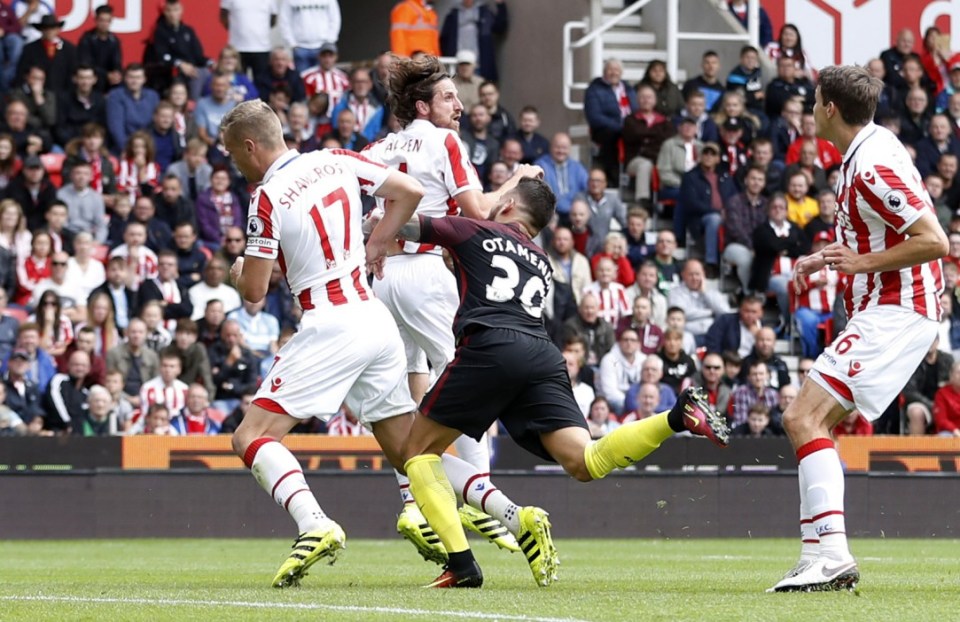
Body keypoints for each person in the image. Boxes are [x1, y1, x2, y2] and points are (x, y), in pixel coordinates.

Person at [385, 175, 730, 588]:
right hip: (542, 354)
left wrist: (370, 225)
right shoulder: (540, 260)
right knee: (585, 461)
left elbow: (405, 224)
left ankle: (461, 566)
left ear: (509, 203)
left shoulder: (474, 228)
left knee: (415, 451)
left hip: (492, 346)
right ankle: (676, 417)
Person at [219, 98, 446, 588]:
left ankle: (314, 524)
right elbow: (409, 190)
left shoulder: (267, 195)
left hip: (331, 323)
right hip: (374, 317)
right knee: (405, 446)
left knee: (250, 436)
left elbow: (255, 292)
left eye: (234, 155)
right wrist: (378, 242)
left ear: (251, 147)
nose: (236, 166)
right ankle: (443, 535)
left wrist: (239, 272)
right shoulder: (335, 158)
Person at [768, 65, 948, 593]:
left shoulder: (869, 167)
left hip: (897, 308)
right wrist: (826, 258)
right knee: (808, 421)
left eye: (814, 98)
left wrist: (859, 267)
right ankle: (816, 553)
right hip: (887, 306)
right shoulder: (869, 148)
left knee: (803, 416)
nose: (808, 107)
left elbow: (935, 239)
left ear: (829, 109)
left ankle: (834, 554)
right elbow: (873, 233)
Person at [361, 54, 534, 560]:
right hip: (425, 276)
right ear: (423, 105)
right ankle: (480, 496)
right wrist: (516, 181)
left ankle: (413, 504)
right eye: (448, 97)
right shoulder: (445, 141)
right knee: (475, 381)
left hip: (381, 278)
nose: (459, 105)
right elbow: (478, 213)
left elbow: (368, 210)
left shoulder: (380, 146)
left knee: (402, 396)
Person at [584, 58, 637, 186]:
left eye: (617, 70)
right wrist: (619, 127)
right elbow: (594, 116)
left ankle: (633, 177)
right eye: (610, 69)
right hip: (606, 129)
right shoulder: (594, 89)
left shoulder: (628, 88)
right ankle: (613, 176)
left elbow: (636, 110)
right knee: (611, 136)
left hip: (629, 126)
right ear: (604, 72)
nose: (614, 73)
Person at [439, 0, 508, 82]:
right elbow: (444, 39)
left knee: (479, 90)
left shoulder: (485, 13)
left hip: (479, 64)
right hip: (458, 64)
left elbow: (500, 27)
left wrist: (501, 5)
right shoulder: (453, 15)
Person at [105, 64, 160, 156]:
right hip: (123, 149)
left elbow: (155, 125)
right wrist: (129, 151)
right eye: (131, 77)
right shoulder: (115, 95)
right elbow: (116, 128)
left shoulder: (153, 96)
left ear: (144, 79)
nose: (134, 81)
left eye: (138, 77)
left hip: (148, 147)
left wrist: (148, 149)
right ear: (125, 78)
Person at [14, 13, 76, 94]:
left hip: (62, 95)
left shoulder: (69, 49)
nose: (49, 31)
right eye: (45, 28)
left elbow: (73, 73)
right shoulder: (30, 49)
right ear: (41, 30)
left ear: (58, 29)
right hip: (36, 93)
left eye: (52, 28)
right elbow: (22, 73)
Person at [596, 327, 644, 415]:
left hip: (638, 402)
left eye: (633, 340)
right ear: (619, 343)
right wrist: (630, 402)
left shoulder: (644, 359)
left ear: (638, 344)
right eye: (625, 340)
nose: (629, 343)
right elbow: (610, 392)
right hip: (615, 403)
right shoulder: (609, 359)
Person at [76, 5, 122, 92]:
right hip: (92, 83)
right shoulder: (86, 39)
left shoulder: (114, 40)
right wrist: (106, 75)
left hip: (111, 83)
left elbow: (117, 62)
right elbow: (86, 63)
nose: (105, 24)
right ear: (96, 20)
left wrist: (116, 73)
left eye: (108, 21)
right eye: (102, 20)